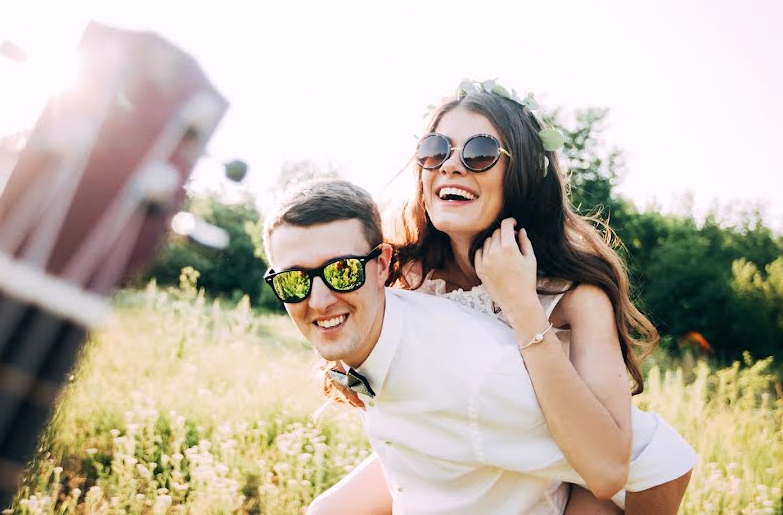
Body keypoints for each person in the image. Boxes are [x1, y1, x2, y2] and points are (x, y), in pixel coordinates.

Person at [262, 178, 695, 514]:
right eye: (293, 281)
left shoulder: (481, 375)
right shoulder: (404, 299)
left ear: (381, 266)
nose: (317, 300)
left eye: (342, 272)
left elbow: (659, 459)